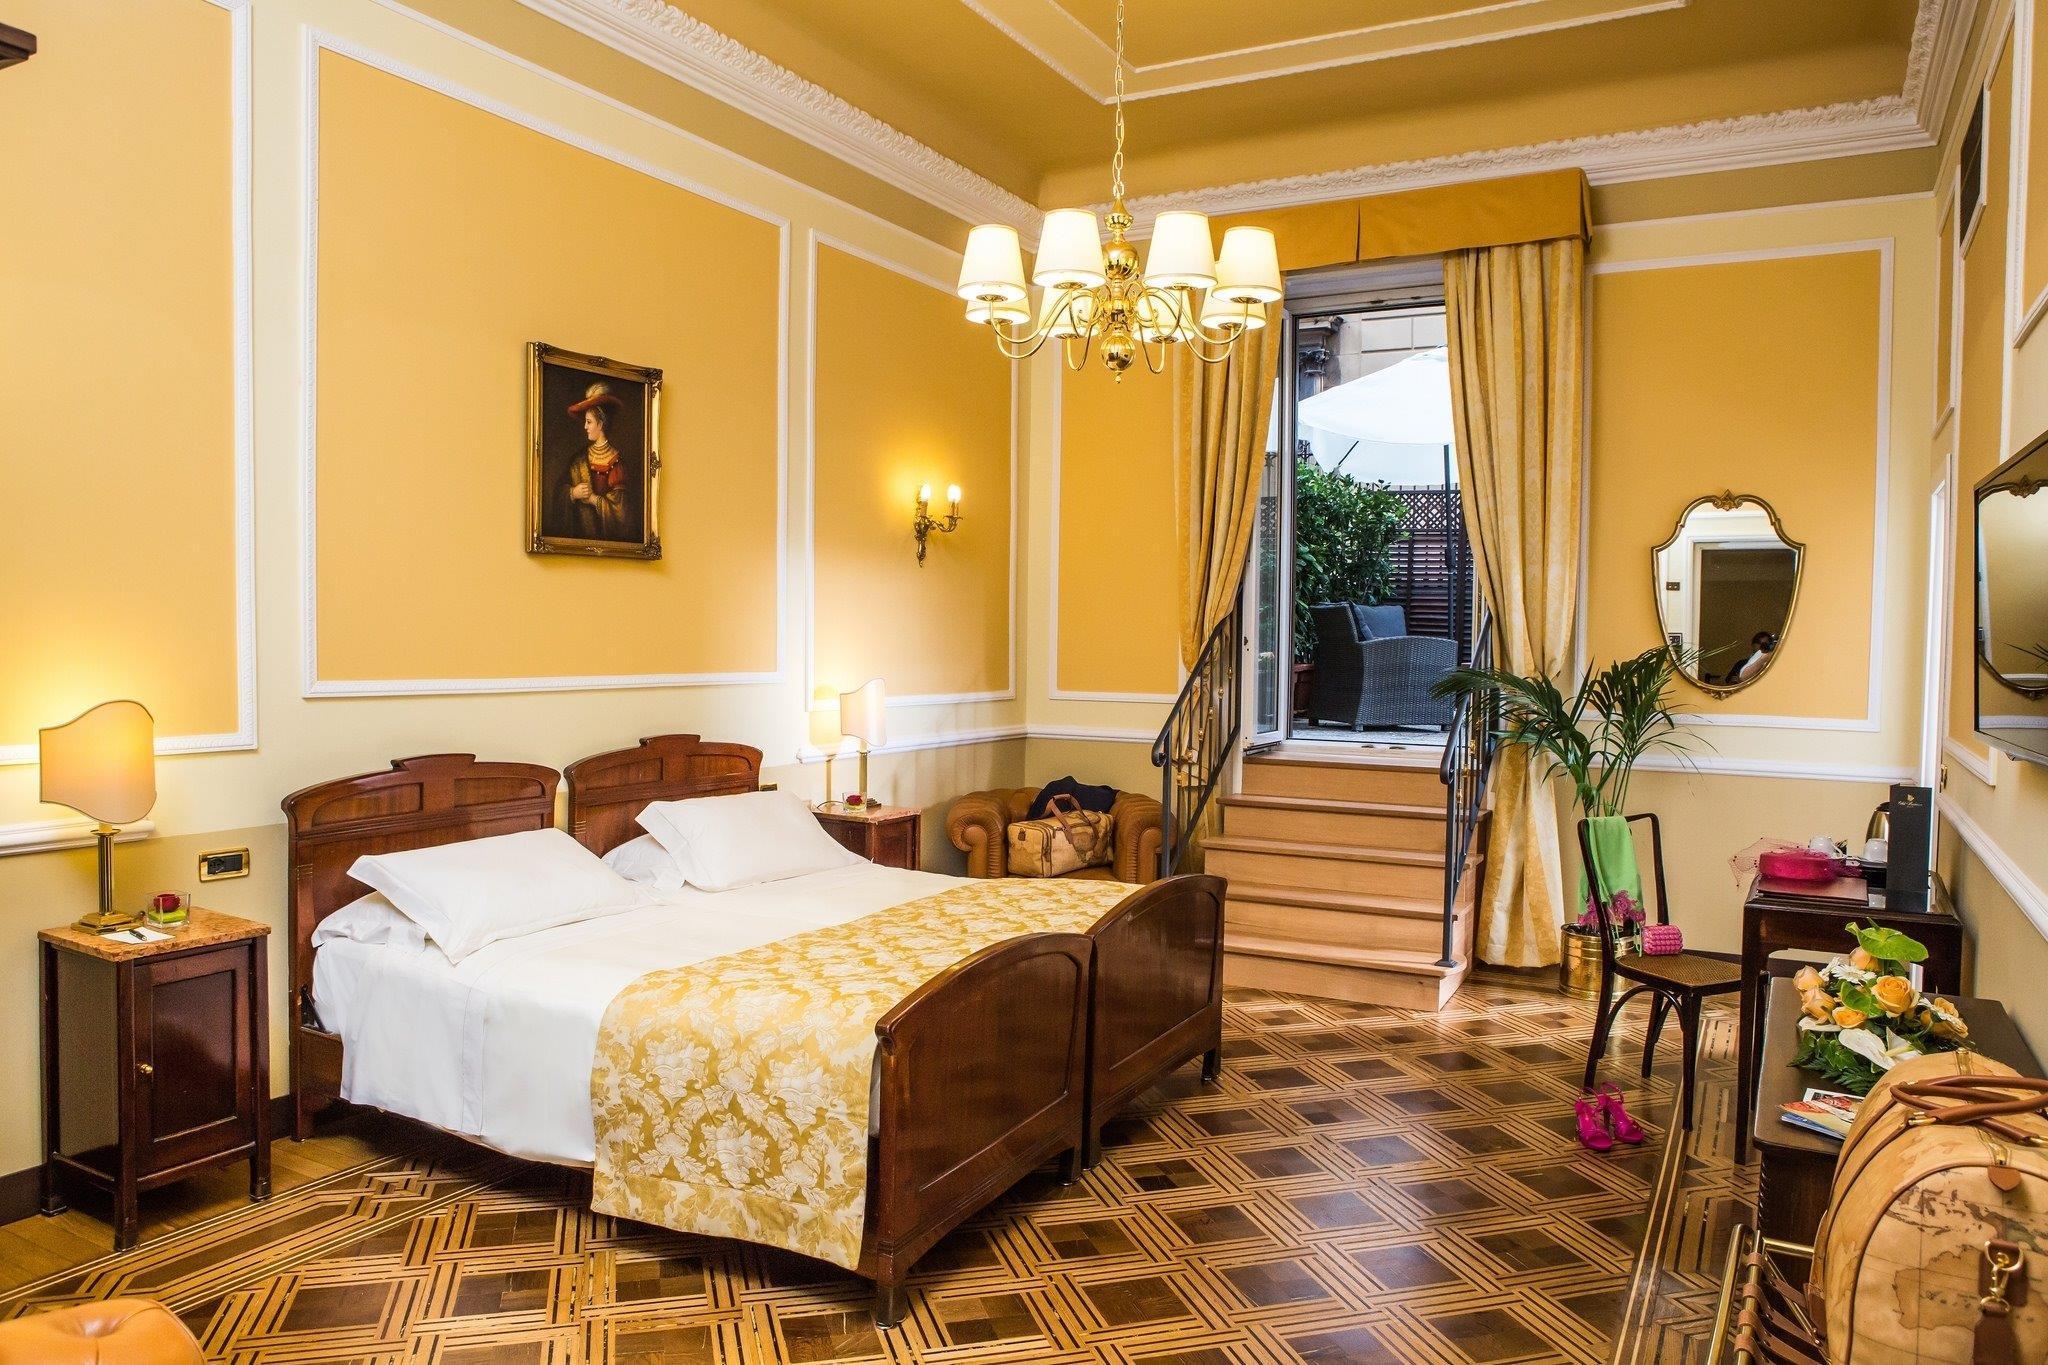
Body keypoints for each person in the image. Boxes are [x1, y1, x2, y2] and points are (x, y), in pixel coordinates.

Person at [555, 381, 634, 541]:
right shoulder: (578, 460)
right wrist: (572, 493)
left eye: (589, 422)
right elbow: (557, 496)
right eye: (585, 422)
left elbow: (622, 514)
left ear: (601, 423)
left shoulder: (617, 462)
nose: (585, 426)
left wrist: (593, 499)